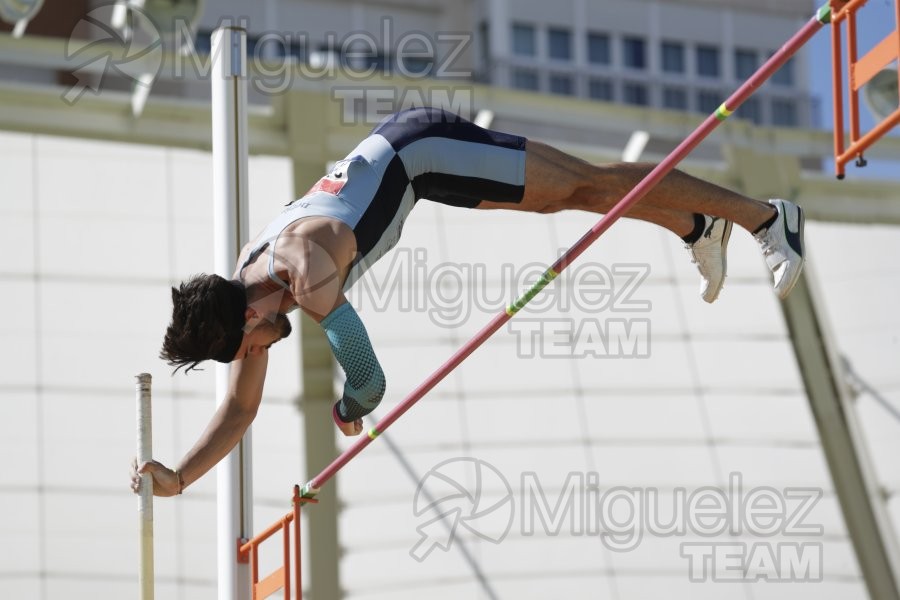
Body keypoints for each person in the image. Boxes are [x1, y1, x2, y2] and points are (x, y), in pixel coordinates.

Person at [130, 107, 804, 497]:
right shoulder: (251, 286)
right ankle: (695, 225)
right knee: (584, 194)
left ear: (247, 317)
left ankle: (764, 217)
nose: (253, 359)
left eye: (246, 350)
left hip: (423, 151)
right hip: (418, 172)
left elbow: (369, 379)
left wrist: (348, 407)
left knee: (586, 188)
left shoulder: (302, 273)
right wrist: (180, 477)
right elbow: (240, 408)